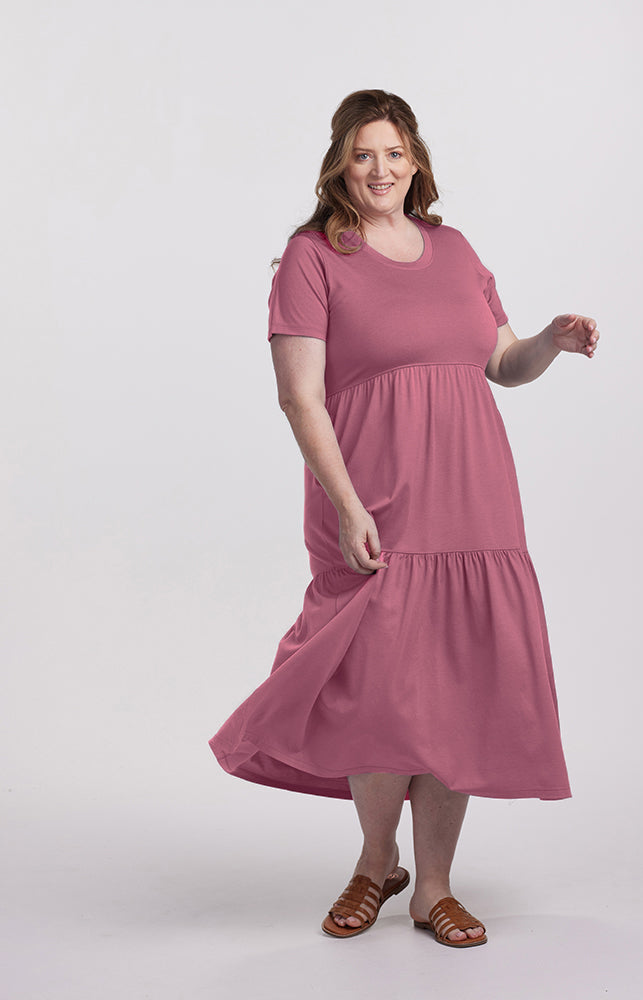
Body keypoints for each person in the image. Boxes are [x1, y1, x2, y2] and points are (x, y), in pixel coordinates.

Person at [209, 89, 599, 948]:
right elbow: (300, 397)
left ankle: (433, 889)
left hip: (473, 502)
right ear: (339, 166)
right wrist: (347, 505)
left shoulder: (455, 250)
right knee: (378, 689)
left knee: (455, 685)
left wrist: (549, 340)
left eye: (393, 153)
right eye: (362, 155)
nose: (379, 169)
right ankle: (375, 860)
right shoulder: (312, 257)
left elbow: (500, 362)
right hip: (371, 501)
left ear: (415, 161)